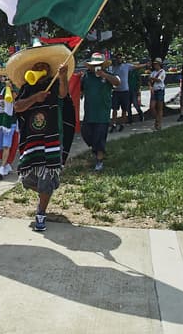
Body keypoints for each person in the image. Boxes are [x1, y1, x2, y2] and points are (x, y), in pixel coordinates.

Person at [8, 44, 71, 233]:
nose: (39, 69)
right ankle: (48, 190)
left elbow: (63, 94)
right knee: (27, 179)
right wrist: (35, 98)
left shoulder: (53, 82)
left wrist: (62, 76)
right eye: (36, 67)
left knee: (46, 174)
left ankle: (41, 213)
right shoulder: (28, 87)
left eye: (43, 66)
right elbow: (17, 107)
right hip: (31, 138)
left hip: (50, 138)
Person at [81, 53, 120, 172]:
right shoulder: (86, 76)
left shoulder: (108, 76)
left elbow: (117, 82)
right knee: (86, 134)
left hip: (102, 114)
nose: (96, 67)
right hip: (89, 113)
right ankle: (97, 151)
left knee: (100, 138)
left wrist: (104, 75)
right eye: (94, 65)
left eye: (99, 65)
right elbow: (80, 90)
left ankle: (99, 160)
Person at [109, 55, 133, 131]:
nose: (118, 59)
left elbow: (136, 66)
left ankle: (122, 124)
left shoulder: (126, 66)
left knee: (124, 109)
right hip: (116, 91)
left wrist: (146, 65)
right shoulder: (113, 68)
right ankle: (113, 124)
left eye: (120, 58)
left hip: (125, 91)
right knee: (114, 109)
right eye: (117, 58)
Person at [149, 59, 167, 130]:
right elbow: (150, 81)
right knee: (152, 107)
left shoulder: (162, 72)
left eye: (156, 64)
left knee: (160, 107)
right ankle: (157, 118)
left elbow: (159, 80)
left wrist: (151, 78)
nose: (155, 65)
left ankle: (159, 123)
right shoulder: (153, 72)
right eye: (154, 64)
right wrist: (150, 87)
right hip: (154, 90)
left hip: (160, 90)